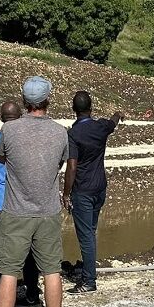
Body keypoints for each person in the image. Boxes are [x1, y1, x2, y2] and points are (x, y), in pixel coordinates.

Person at [0, 77, 68, 307]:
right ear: (48, 100)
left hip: (15, 212)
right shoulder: (60, 132)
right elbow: (60, 162)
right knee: (52, 270)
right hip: (48, 212)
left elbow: (2, 159)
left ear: (24, 102)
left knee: (7, 271)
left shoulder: (9, 130)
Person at [0, 101, 42, 307]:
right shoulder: (30, 137)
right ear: (20, 115)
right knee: (30, 250)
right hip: (26, 203)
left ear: (1, 117)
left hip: (0, 204)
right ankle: (32, 295)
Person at [62, 91, 123, 294]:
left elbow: (71, 167)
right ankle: (87, 267)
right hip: (100, 188)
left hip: (83, 191)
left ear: (74, 110)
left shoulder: (73, 134)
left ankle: (89, 281)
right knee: (91, 231)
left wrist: (66, 194)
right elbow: (113, 122)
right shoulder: (100, 127)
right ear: (91, 108)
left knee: (86, 235)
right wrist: (118, 113)